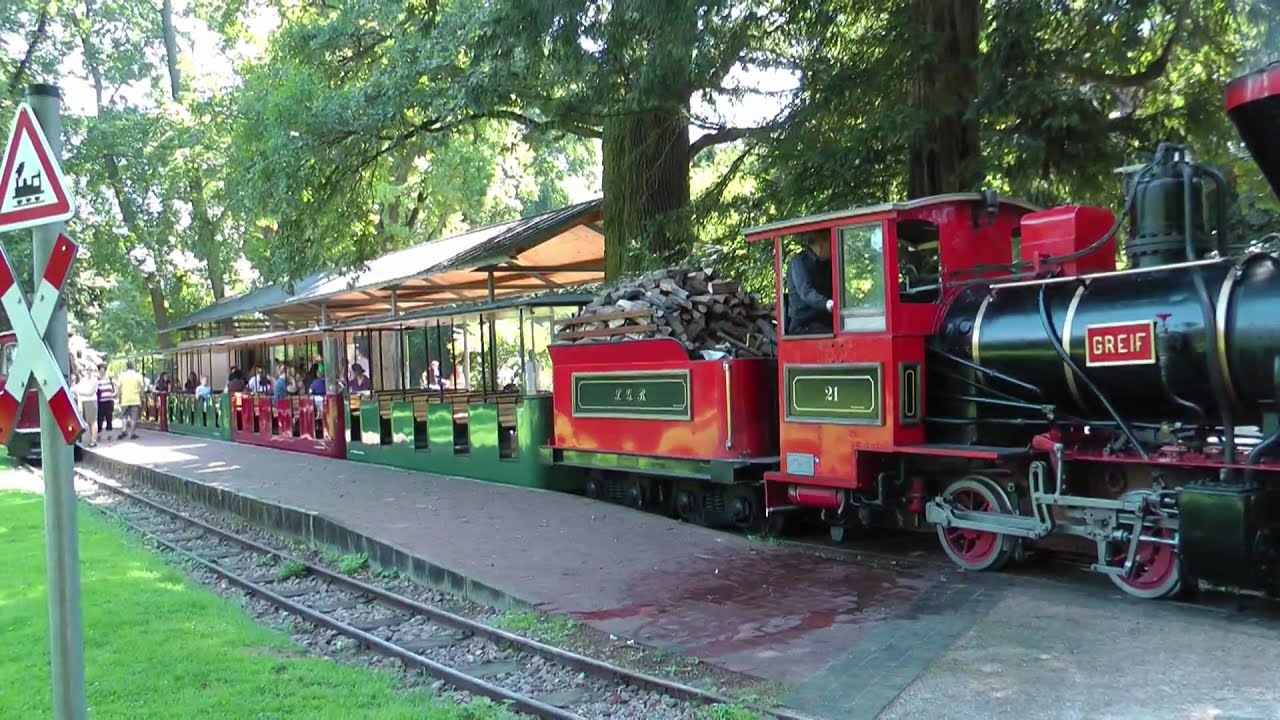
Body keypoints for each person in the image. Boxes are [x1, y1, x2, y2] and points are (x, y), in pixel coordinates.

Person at [784, 230, 835, 335]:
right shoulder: (798, 262)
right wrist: (827, 303)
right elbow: (806, 291)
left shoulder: (828, 265)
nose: (833, 249)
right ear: (821, 246)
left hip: (825, 321)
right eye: (831, 245)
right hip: (804, 325)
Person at [117, 361, 145, 440]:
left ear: (126, 367)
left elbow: (119, 388)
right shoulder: (138, 375)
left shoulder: (122, 375)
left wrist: (119, 398)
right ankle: (131, 433)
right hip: (135, 399)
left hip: (125, 399)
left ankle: (124, 429)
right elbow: (142, 387)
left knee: (124, 416)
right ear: (133, 367)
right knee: (134, 417)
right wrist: (141, 396)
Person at [73, 371, 99, 448]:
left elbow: (89, 392)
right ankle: (91, 439)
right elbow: (76, 389)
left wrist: (79, 392)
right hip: (84, 401)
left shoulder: (94, 380)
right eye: (87, 369)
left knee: (93, 421)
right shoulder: (83, 380)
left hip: (91, 401)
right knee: (89, 422)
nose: (88, 371)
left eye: (90, 369)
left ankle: (93, 440)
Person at [95, 363, 116, 437]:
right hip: (100, 402)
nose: (102, 371)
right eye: (100, 370)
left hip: (109, 401)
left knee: (109, 417)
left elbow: (115, 389)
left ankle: (109, 434)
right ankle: (99, 433)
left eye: (103, 369)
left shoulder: (110, 379)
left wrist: (114, 395)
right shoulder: (97, 380)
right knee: (100, 417)